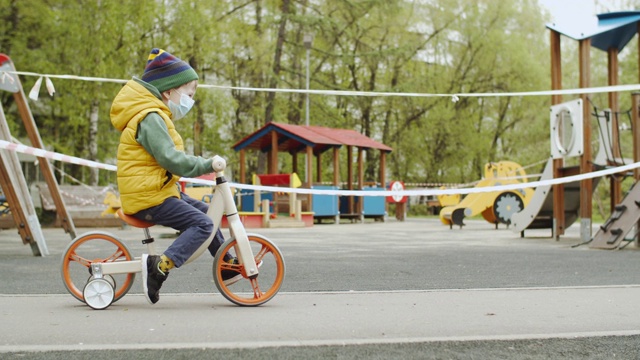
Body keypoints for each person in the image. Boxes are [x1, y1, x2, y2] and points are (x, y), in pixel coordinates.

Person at [110, 48, 239, 305]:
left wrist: (201, 166)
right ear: (169, 92)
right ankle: (160, 267)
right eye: (189, 94)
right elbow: (169, 158)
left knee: (207, 212)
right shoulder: (150, 118)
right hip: (149, 197)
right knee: (204, 224)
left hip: (157, 191)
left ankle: (225, 264)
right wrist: (203, 164)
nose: (190, 100)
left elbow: (166, 160)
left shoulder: (154, 115)